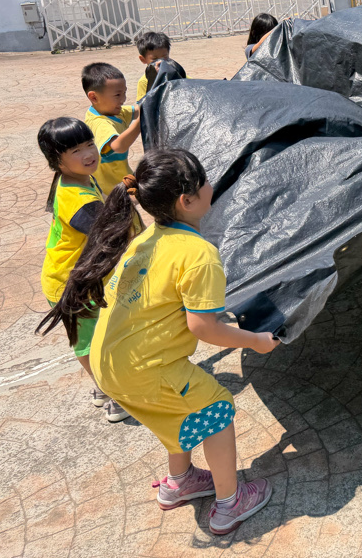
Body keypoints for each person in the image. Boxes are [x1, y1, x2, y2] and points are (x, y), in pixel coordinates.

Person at [51, 147, 278, 534]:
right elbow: (204, 327)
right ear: (187, 200)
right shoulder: (199, 254)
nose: (212, 184)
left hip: (112, 363)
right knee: (215, 409)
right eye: (205, 180)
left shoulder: (147, 237)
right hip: (145, 370)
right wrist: (255, 340)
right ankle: (230, 503)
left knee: (179, 410)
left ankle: (180, 482)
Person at [35, 117, 129, 423]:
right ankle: (113, 395)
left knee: (93, 337)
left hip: (74, 277)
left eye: (89, 144)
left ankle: (103, 388)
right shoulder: (79, 200)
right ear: (56, 160)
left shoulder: (75, 178)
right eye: (76, 150)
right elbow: (111, 236)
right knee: (90, 343)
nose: (88, 154)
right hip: (72, 284)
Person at [83, 63, 141, 195]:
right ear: (94, 97)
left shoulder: (113, 111)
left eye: (124, 93)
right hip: (110, 190)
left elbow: (139, 110)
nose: (123, 99)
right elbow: (118, 146)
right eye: (117, 95)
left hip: (122, 180)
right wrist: (139, 124)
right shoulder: (100, 123)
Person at [134, 32, 172, 101]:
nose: (160, 62)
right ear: (143, 59)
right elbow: (142, 104)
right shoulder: (144, 82)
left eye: (165, 57)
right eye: (155, 59)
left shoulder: (174, 73)